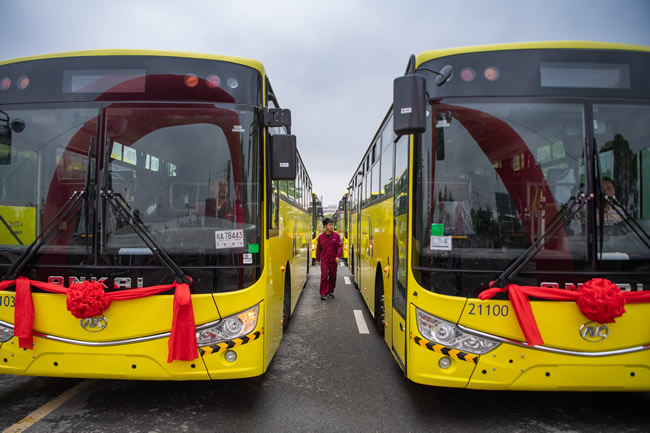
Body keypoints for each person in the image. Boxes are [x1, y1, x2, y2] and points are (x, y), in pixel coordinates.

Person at [316, 217, 342, 300]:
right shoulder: (321, 237)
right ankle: (323, 293)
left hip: (333, 260)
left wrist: (338, 256)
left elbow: (339, 247)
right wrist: (317, 259)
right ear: (325, 226)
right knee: (324, 276)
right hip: (324, 259)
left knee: (333, 276)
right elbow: (318, 248)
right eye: (330, 225)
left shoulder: (336, 236)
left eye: (332, 225)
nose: (332, 227)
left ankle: (330, 291)